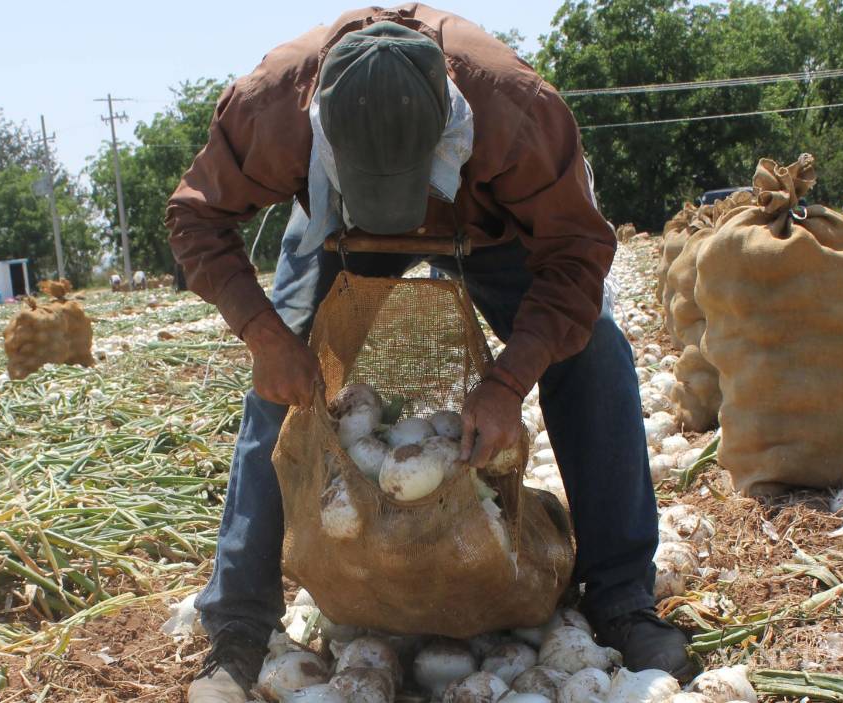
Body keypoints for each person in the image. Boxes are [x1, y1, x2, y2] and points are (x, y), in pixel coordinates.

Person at [166, 7, 695, 701]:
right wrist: (264, 335)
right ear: (321, 131)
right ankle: (238, 619)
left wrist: (508, 381)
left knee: (593, 347)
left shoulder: (517, 111)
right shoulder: (273, 107)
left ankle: (623, 595)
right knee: (287, 377)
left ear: (450, 125)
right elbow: (195, 213)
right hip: (338, 231)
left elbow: (577, 255)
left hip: (489, 226)